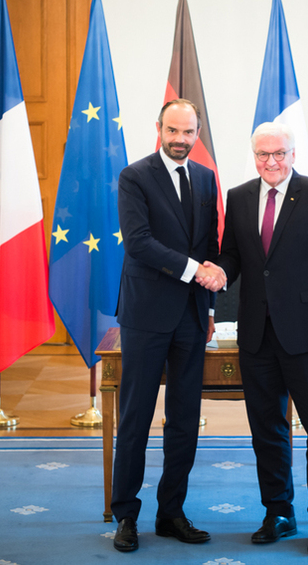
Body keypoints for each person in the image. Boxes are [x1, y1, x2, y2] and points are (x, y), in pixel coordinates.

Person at [201, 122, 308, 556]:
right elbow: (234, 255)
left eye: (279, 154)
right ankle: (278, 512)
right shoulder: (240, 197)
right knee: (266, 429)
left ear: (293, 154)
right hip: (257, 335)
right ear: (254, 156)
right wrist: (220, 271)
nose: (271, 162)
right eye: (263, 155)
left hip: (307, 336)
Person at [111, 99, 223, 553]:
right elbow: (138, 243)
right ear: (158, 128)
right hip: (146, 315)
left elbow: (208, 244)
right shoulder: (134, 176)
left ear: (198, 133)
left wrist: (211, 308)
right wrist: (195, 271)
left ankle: (171, 512)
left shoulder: (205, 177)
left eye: (188, 132)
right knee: (135, 416)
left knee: (185, 420)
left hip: (193, 317)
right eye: (172, 130)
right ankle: (125, 514)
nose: (180, 139)